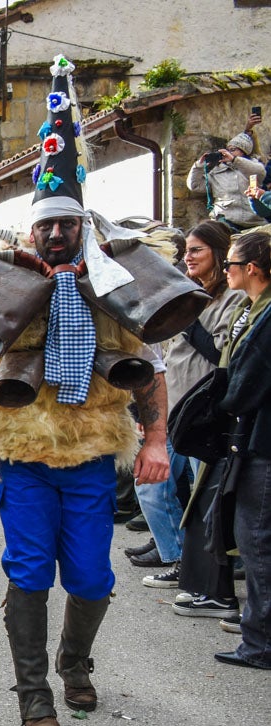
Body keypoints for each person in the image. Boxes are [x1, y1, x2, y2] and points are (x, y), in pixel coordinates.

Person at [0, 56, 177, 726]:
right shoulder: (3, 288)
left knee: (89, 575)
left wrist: (156, 439)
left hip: (87, 455)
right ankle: (31, 696)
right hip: (19, 452)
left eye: (67, 226)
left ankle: (74, 661)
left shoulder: (114, 287)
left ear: (82, 228)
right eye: (46, 227)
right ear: (31, 232)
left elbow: (151, 370)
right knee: (27, 570)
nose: (56, 236)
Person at [141, 223, 245, 619]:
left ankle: (201, 570)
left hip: (205, 413)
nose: (189, 257)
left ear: (220, 255)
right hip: (173, 407)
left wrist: (189, 317)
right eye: (186, 250)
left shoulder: (232, 300)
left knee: (204, 499)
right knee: (152, 488)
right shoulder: (187, 293)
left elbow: (220, 352)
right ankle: (180, 556)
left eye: (197, 250)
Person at [214, 231, 271, 669]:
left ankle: (260, 643)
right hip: (258, 435)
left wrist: (223, 406)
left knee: (257, 541)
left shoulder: (266, 317)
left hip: (263, 441)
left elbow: (246, 380)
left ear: (251, 269)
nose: (226, 271)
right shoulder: (256, 310)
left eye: (230, 264)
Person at [186, 128, 266, 230]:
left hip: (254, 221)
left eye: (233, 150)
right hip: (226, 219)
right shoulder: (216, 171)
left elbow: (259, 172)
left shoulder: (254, 167)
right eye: (228, 149)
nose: (229, 152)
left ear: (244, 152)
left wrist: (234, 160)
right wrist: (199, 166)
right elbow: (194, 186)